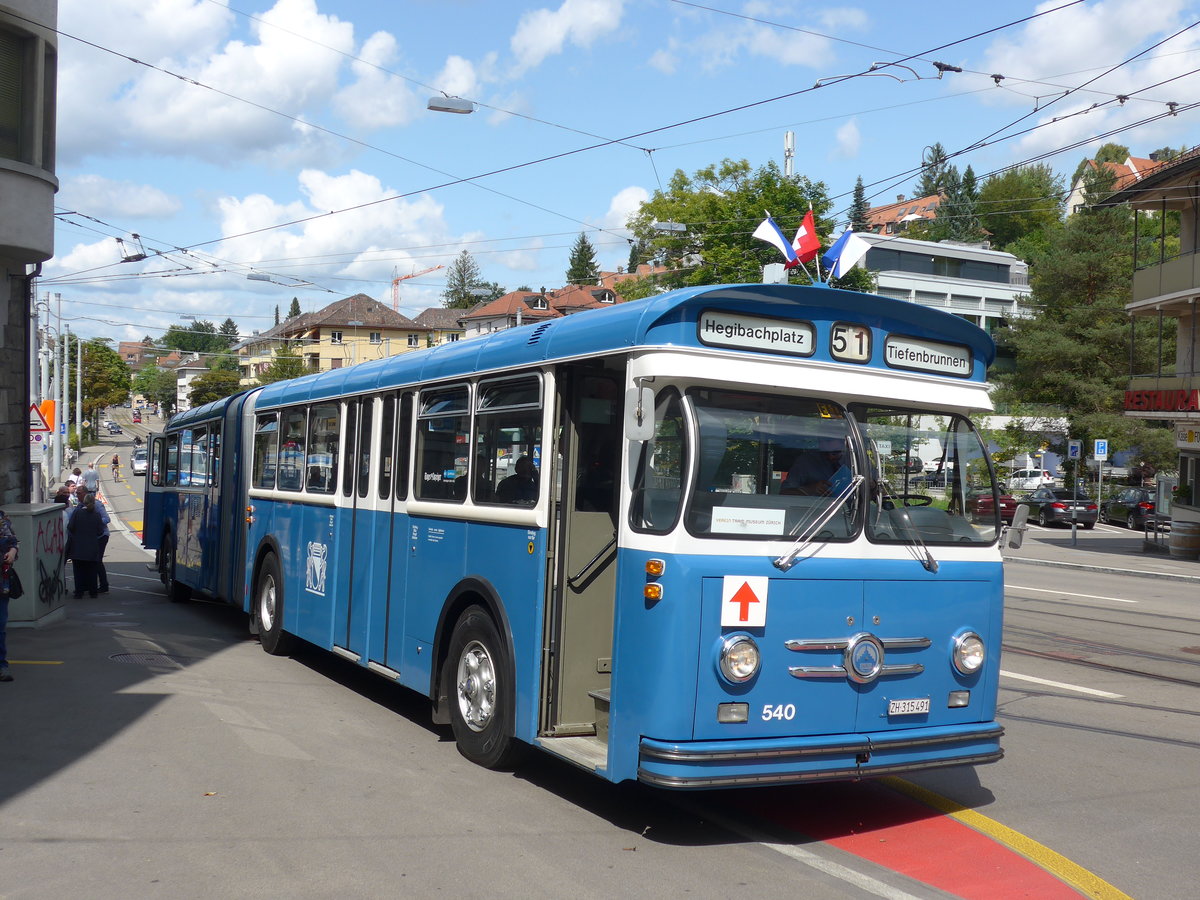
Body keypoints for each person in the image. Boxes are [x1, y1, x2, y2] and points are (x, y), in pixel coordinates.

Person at [66, 492, 105, 599]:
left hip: (78, 546)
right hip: (92, 547)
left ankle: (79, 592)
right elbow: (100, 531)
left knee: (78, 571)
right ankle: (93, 592)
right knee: (92, 571)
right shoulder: (96, 515)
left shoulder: (77, 512)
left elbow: (70, 527)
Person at [782, 437, 850, 496]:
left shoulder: (854, 460)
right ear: (820, 444)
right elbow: (784, 492)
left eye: (835, 452)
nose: (830, 457)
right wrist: (810, 489)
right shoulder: (807, 462)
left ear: (844, 445)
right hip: (814, 509)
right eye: (825, 453)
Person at [1, 508, 20, 682]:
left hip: (1, 583)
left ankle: (1, 666)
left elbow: (13, 541)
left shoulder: (2, 520)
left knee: (0, 626)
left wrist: (13, 551)